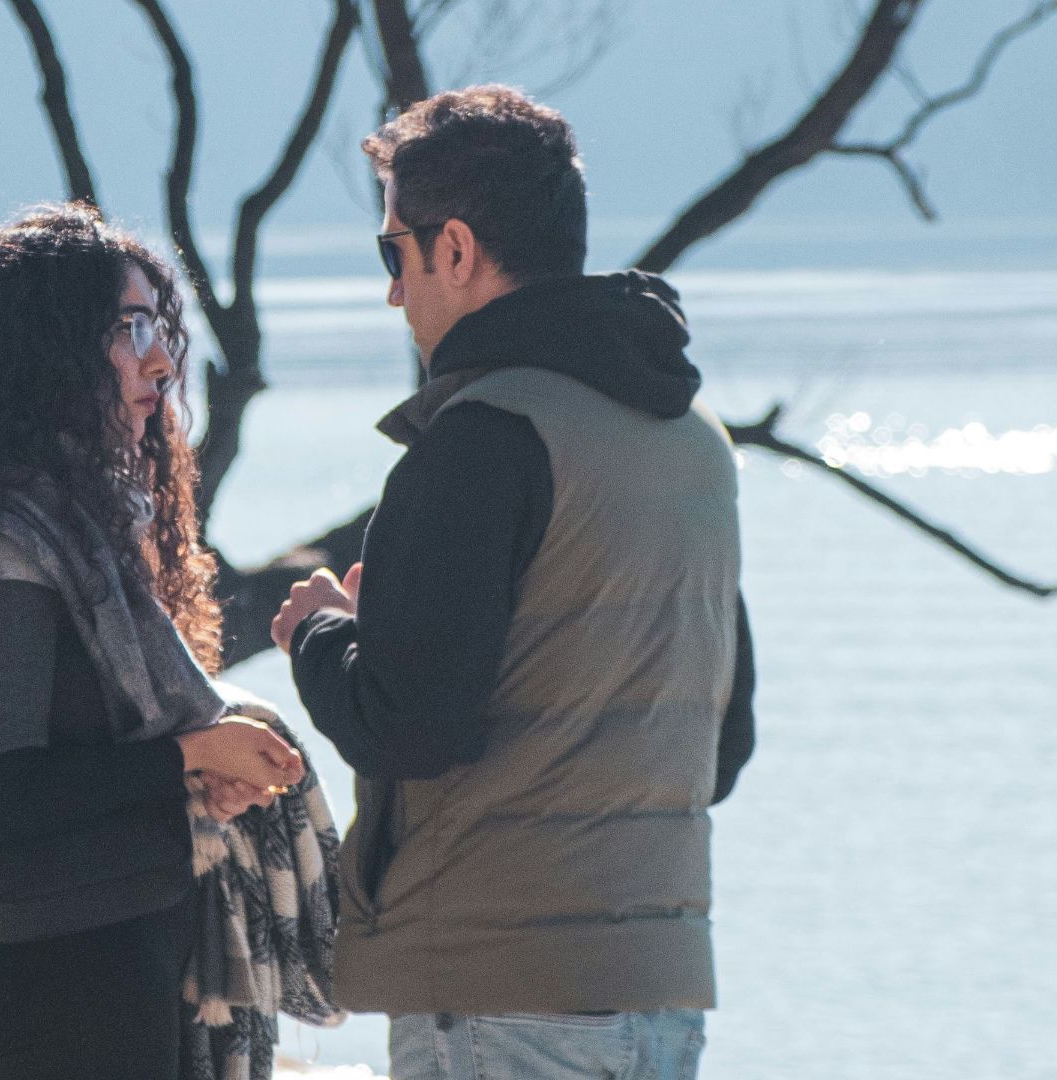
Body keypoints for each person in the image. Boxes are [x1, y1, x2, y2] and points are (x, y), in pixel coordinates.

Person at [269, 86, 757, 1080]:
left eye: (392, 253)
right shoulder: (695, 445)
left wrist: (321, 636)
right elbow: (725, 743)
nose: (395, 295)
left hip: (497, 998)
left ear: (453, 249)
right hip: (660, 992)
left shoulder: (480, 440)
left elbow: (412, 727)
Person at [0, 203, 317, 1079]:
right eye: (129, 327)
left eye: (159, 325)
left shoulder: (80, 531)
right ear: (47, 354)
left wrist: (199, 773)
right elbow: (1, 790)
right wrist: (188, 754)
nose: (161, 358)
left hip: (103, 949)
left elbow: (99, 751)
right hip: (48, 977)